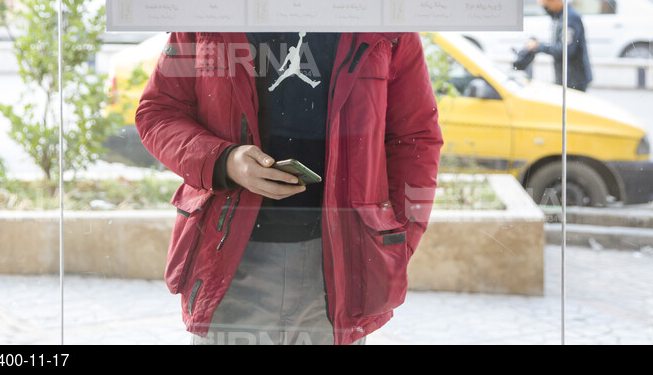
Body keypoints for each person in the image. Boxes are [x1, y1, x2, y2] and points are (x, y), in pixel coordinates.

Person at [135, 31, 443, 345]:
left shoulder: (383, 23)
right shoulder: (215, 5)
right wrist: (225, 161)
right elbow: (158, 113)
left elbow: (416, 139)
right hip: (227, 259)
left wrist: (399, 237)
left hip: (342, 268)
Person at [524, 0, 593, 91]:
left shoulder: (569, 18)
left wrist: (539, 46)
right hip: (565, 76)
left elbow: (565, 50)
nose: (544, 8)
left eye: (546, 4)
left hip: (574, 78)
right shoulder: (558, 16)